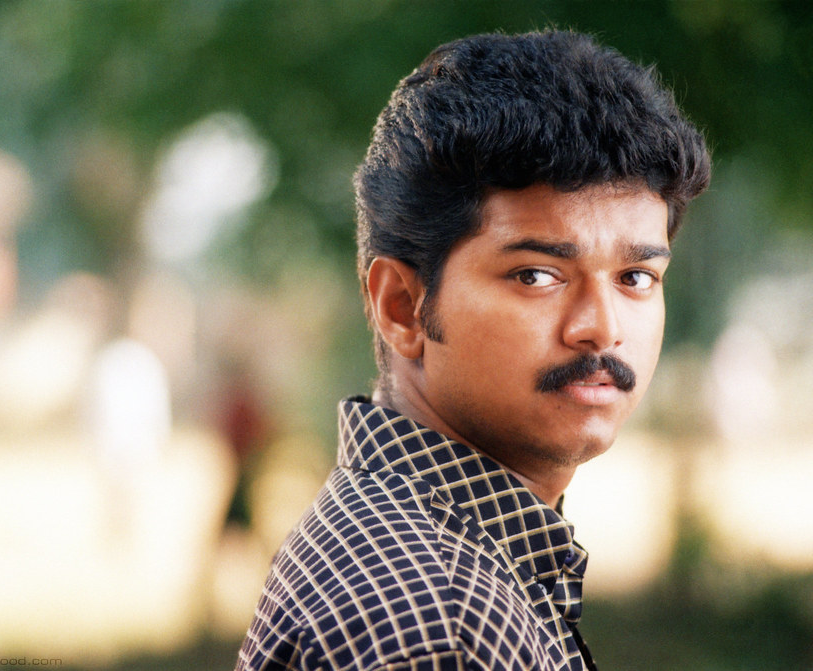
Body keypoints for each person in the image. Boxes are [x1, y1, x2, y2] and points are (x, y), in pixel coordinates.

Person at [234, 29, 710, 671]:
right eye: (537, 275)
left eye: (636, 278)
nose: (601, 328)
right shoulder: (440, 623)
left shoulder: (429, 549)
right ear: (402, 307)